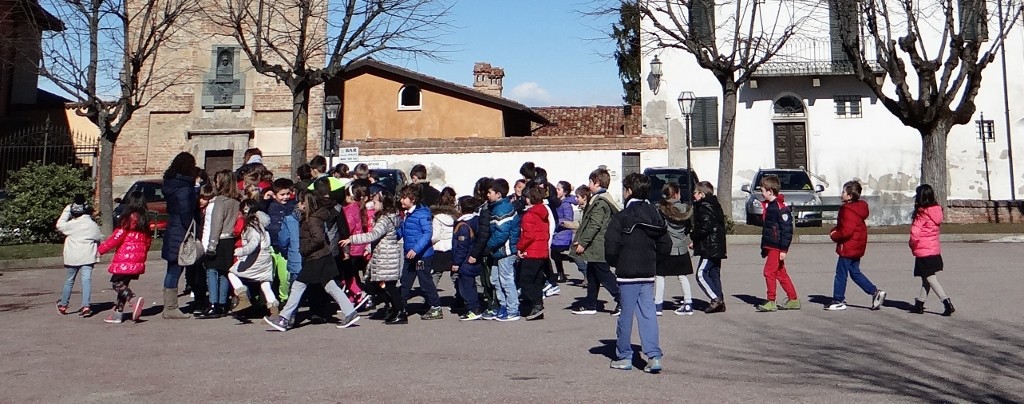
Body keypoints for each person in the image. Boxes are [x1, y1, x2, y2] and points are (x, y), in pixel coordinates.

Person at [265, 189, 360, 331]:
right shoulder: (312, 217)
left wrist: (305, 249)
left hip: (317, 257)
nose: (298, 204)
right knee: (330, 285)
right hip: (322, 256)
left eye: (300, 202)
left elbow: (318, 238)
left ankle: (284, 318)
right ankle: (350, 312)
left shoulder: (312, 219)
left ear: (306, 203)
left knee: (298, 286)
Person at [605, 173, 669, 373]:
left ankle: (624, 356)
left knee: (626, 315)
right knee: (648, 314)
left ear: (629, 191)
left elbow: (611, 246)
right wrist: (654, 261)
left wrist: (616, 262)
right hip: (648, 271)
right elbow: (665, 243)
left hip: (627, 272)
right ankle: (654, 356)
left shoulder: (622, 216)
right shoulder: (655, 213)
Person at [341, 190, 403, 323]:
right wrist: (369, 248)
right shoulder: (384, 217)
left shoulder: (385, 220)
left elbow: (373, 235)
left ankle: (400, 311)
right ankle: (392, 309)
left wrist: (352, 239)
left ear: (383, 203)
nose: (372, 204)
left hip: (387, 257)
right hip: (383, 254)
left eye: (375, 202)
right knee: (379, 285)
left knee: (389, 287)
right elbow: (378, 239)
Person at [827, 180, 886, 311]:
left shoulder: (848, 210)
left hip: (848, 246)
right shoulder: (859, 208)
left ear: (850, 196)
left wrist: (834, 234)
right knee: (854, 272)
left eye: (843, 192)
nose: (841, 194)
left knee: (840, 274)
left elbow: (846, 230)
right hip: (857, 246)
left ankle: (838, 299)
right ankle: (875, 292)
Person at [570, 168, 622, 315]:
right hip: (596, 245)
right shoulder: (599, 198)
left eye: (590, 182)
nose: (588, 185)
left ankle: (621, 299)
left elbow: (594, 224)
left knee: (604, 274)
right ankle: (591, 303)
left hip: (598, 245)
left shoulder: (600, 202)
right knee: (592, 274)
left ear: (597, 183)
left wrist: (583, 243)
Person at [97, 191, 152, 324]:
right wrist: (143, 255)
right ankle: (117, 313)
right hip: (137, 259)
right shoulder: (145, 220)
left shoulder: (127, 218)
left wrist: (101, 250)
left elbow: (116, 237)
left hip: (124, 258)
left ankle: (133, 299)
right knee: (123, 286)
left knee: (116, 284)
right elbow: (148, 241)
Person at [197, 170, 241, 319]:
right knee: (224, 272)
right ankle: (222, 303)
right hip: (230, 239)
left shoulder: (220, 201)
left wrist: (211, 245)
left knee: (212, 271)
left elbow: (216, 224)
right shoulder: (236, 200)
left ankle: (213, 303)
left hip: (220, 239)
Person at [396, 184, 443, 321]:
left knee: (425, 282)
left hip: (422, 256)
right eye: (401, 197)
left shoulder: (422, 214)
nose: (401, 200)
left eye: (404, 198)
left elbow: (427, 233)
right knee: (405, 281)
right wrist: (393, 236)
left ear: (413, 199)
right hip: (409, 255)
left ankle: (435, 307)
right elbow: (404, 230)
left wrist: (416, 249)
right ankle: (400, 307)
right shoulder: (407, 214)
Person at [161, 152, 198, 319]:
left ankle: (170, 306)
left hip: (172, 227)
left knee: (172, 268)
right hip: (181, 230)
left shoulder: (171, 183)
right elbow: (185, 210)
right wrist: (191, 226)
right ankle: (170, 307)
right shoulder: (184, 187)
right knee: (176, 268)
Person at [226, 199, 279, 317]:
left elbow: (254, 242)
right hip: (266, 258)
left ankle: (243, 296)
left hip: (256, 257)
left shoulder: (251, 225)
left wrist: (242, 251)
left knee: (232, 273)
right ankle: (274, 311)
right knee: (265, 284)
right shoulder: (262, 222)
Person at [755, 175, 801, 312]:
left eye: (763, 190)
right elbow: (768, 228)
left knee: (768, 272)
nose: (762, 193)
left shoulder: (781, 208)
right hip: (771, 245)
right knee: (780, 273)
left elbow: (787, 230)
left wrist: (783, 250)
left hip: (777, 246)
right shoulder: (770, 206)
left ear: (770, 191)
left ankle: (771, 300)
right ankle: (793, 299)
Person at [909, 184, 955, 316]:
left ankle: (946, 301)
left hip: (923, 250)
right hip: (934, 249)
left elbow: (915, 233)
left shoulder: (922, 213)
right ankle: (920, 303)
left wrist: (912, 245)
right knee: (926, 278)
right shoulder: (936, 211)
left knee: (930, 278)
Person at [55, 195, 102, 317]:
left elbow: (59, 225)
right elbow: (98, 238)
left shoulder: (71, 225)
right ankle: (86, 306)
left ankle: (63, 305)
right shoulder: (92, 225)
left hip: (72, 257)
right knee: (86, 280)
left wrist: (67, 209)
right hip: (88, 256)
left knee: (69, 280)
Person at [482, 179, 521, 321]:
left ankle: (513, 310)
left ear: (498, 194)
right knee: (495, 278)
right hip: (498, 252)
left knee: (506, 280)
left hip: (506, 251)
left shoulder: (503, 209)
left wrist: (488, 247)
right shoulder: (496, 207)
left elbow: (501, 234)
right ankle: (504, 305)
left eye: (490, 192)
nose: (487, 195)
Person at [654, 183, 695, 316]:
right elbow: (689, 228)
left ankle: (658, 305)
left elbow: (658, 227)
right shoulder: (686, 210)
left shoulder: (661, 210)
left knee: (660, 276)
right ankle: (688, 303)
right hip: (681, 247)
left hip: (665, 247)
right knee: (682, 276)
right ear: (677, 194)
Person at [690, 181, 728, 314]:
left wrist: (693, 236)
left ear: (702, 194)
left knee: (701, 274)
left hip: (710, 247)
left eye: (695, 192)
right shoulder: (714, 204)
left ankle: (715, 298)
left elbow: (705, 226)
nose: (693, 195)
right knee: (714, 274)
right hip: (716, 246)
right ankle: (720, 301)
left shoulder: (704, 206)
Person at [517, 187, 551, 320]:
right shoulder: (543, 213)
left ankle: (536, 304)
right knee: (536, 281)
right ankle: (537, 305)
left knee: (525, 281)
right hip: (541, 251)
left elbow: (528, 236)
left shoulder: (529, 215)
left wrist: (519, 247)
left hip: (531, 252)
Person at [451, 196, 484, 320]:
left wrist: (456, 262)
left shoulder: (463, 225)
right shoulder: (475, 220)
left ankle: (474, 309)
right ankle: (473, 306)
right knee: (470, 285)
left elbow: (462, 247)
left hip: (465, 262)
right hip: (470, 259)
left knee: (466, 287)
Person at [429, 187, 458, 305]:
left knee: (435, 274)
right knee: (455, 275)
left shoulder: (437, 217)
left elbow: (435, 235)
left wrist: (430, 243)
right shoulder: (456, 217)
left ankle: (430, 298)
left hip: (440, 248)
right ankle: (460, 297)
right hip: (452, 247)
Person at [551, 181, 576, 284]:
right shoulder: (556, 202)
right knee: (554, 253)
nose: (556, 191)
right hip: (557, 234)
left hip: (564, 234)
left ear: (564, 192)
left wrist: (557, 222)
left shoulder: (566, 205)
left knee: (555, 253)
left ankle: (573, 259)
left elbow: (568, 219)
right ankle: (561, 274)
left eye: (558, 189)